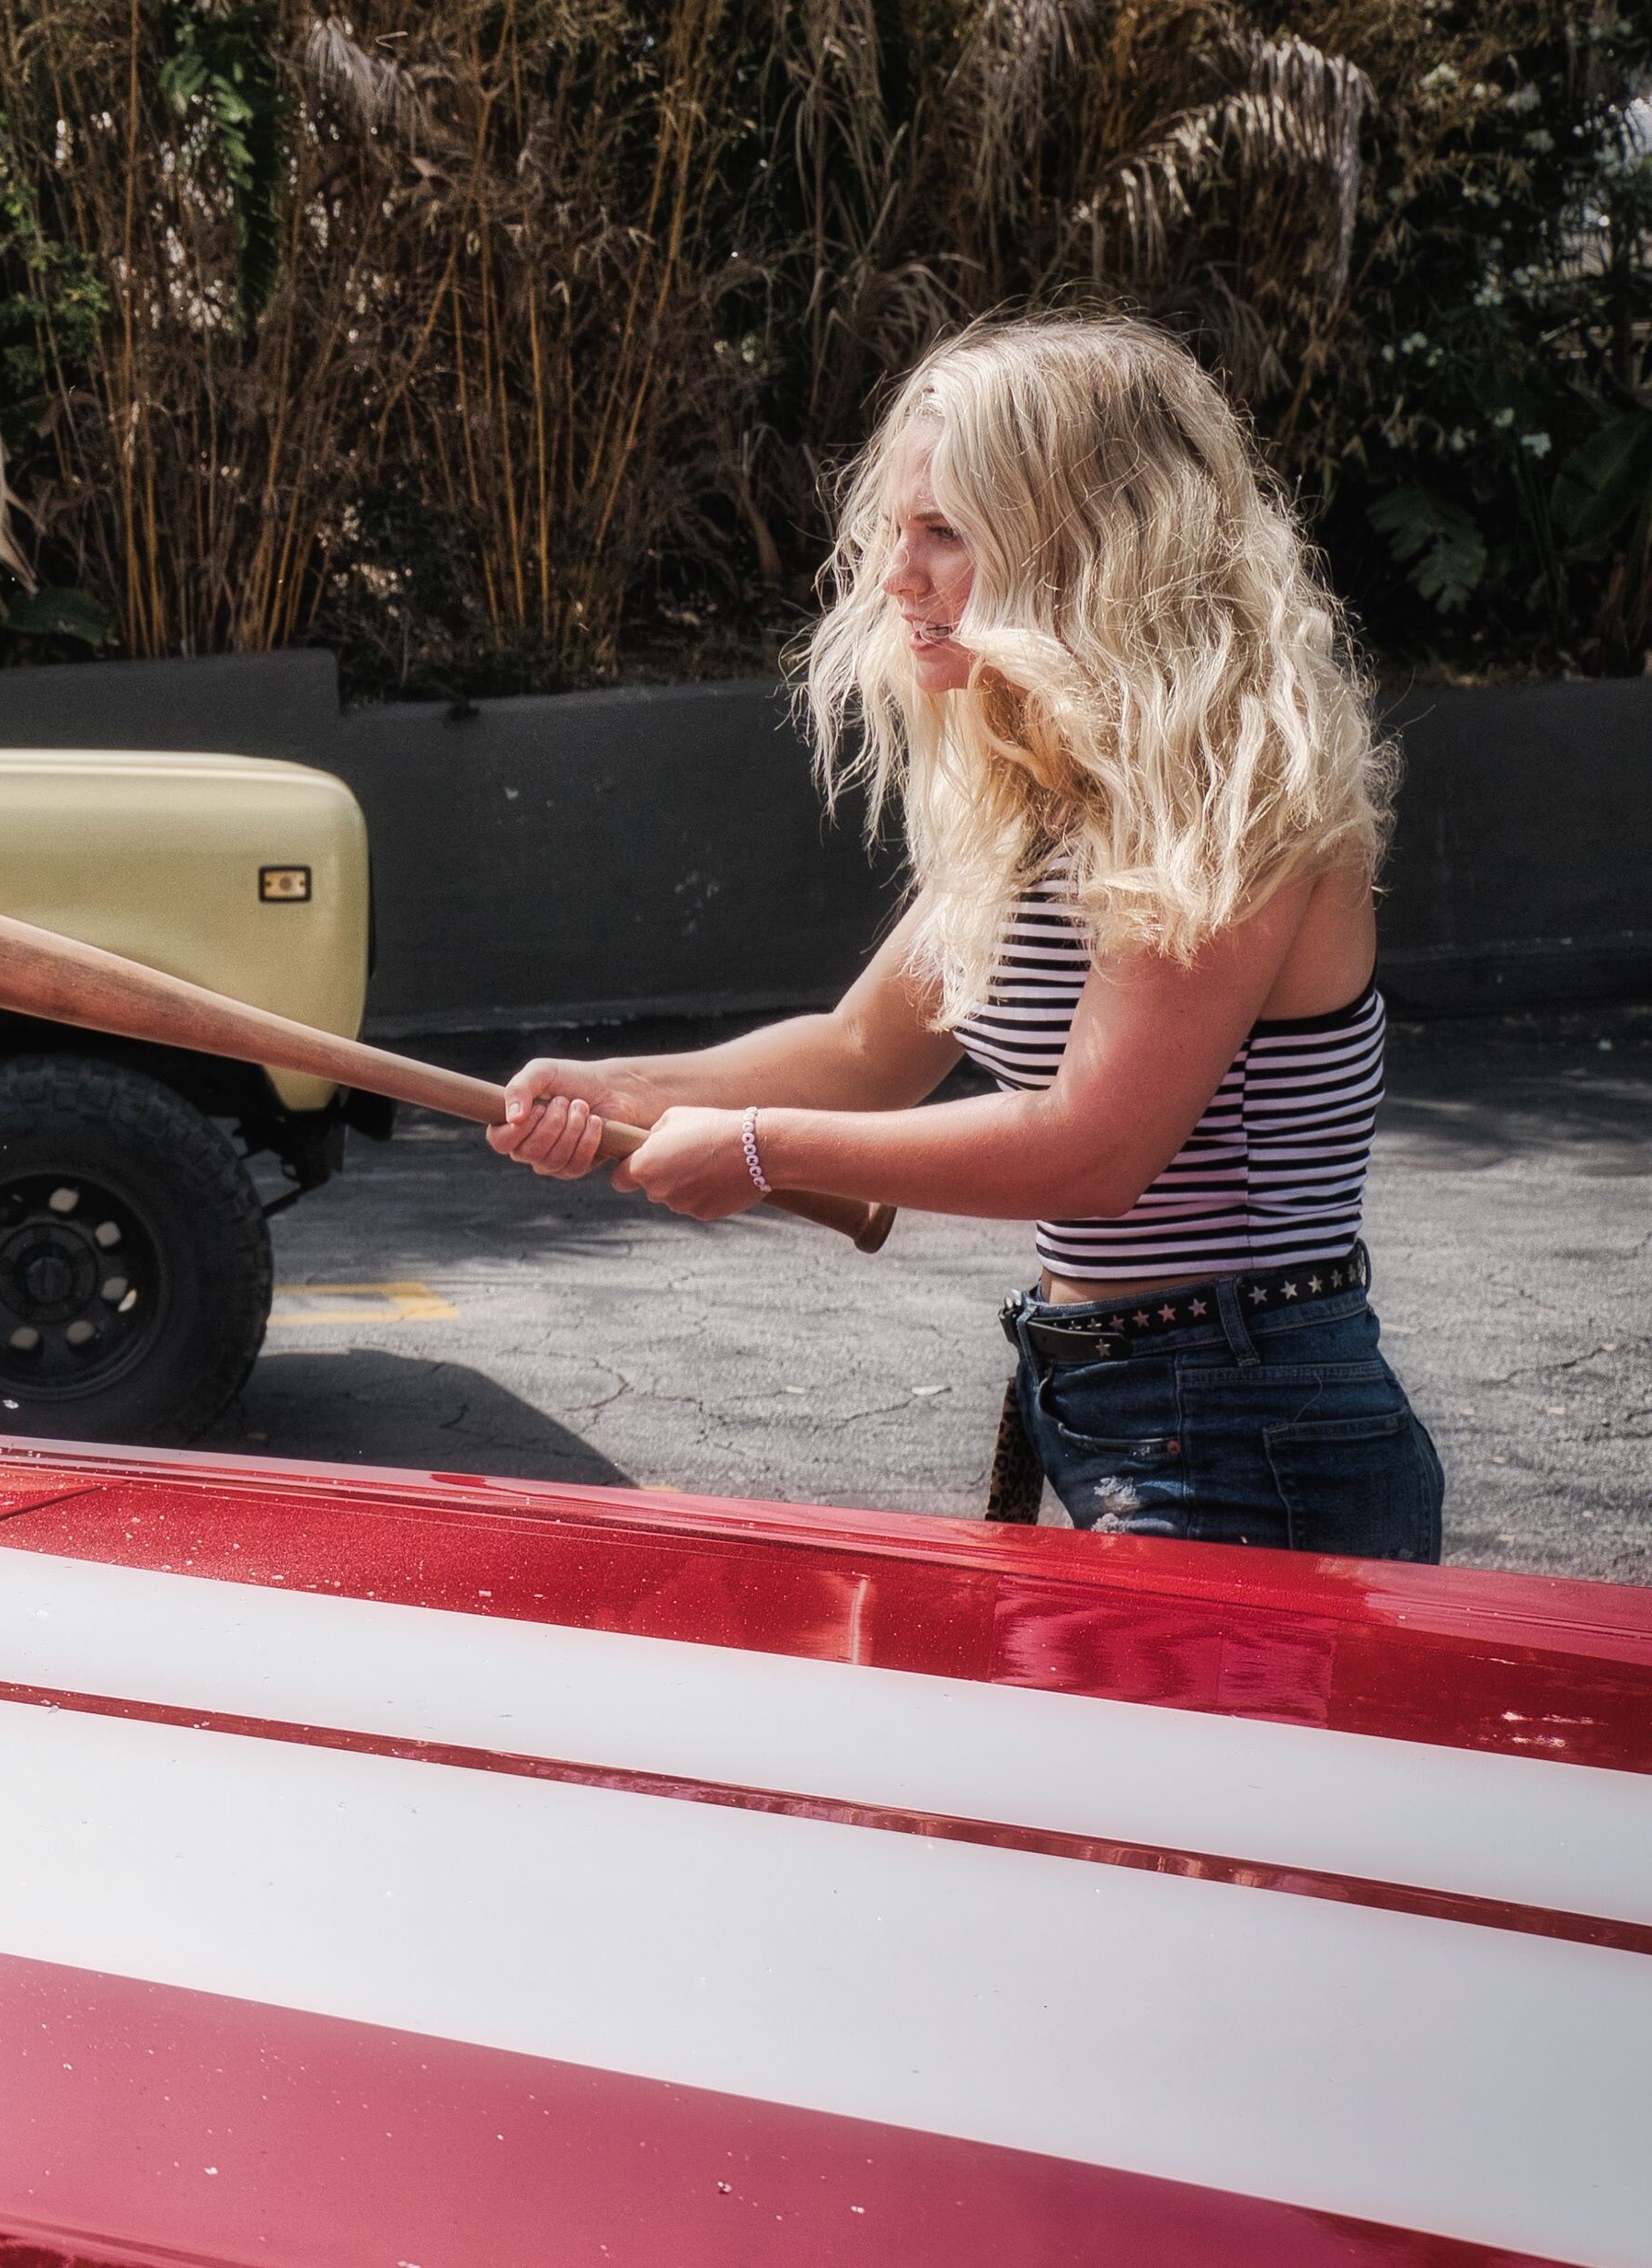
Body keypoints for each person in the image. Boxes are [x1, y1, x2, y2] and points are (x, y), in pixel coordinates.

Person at [488, 315, 1442, 1561]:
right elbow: (862, 1051)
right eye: (896, 531)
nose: (898, 575)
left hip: (1251, 1418)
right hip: (1134, 1395)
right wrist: (619, 1090)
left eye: (944, 531)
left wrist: (760, 1149)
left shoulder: (1229, 786)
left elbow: (1095, 1152)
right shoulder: (1041, 791)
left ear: (1087, 544)